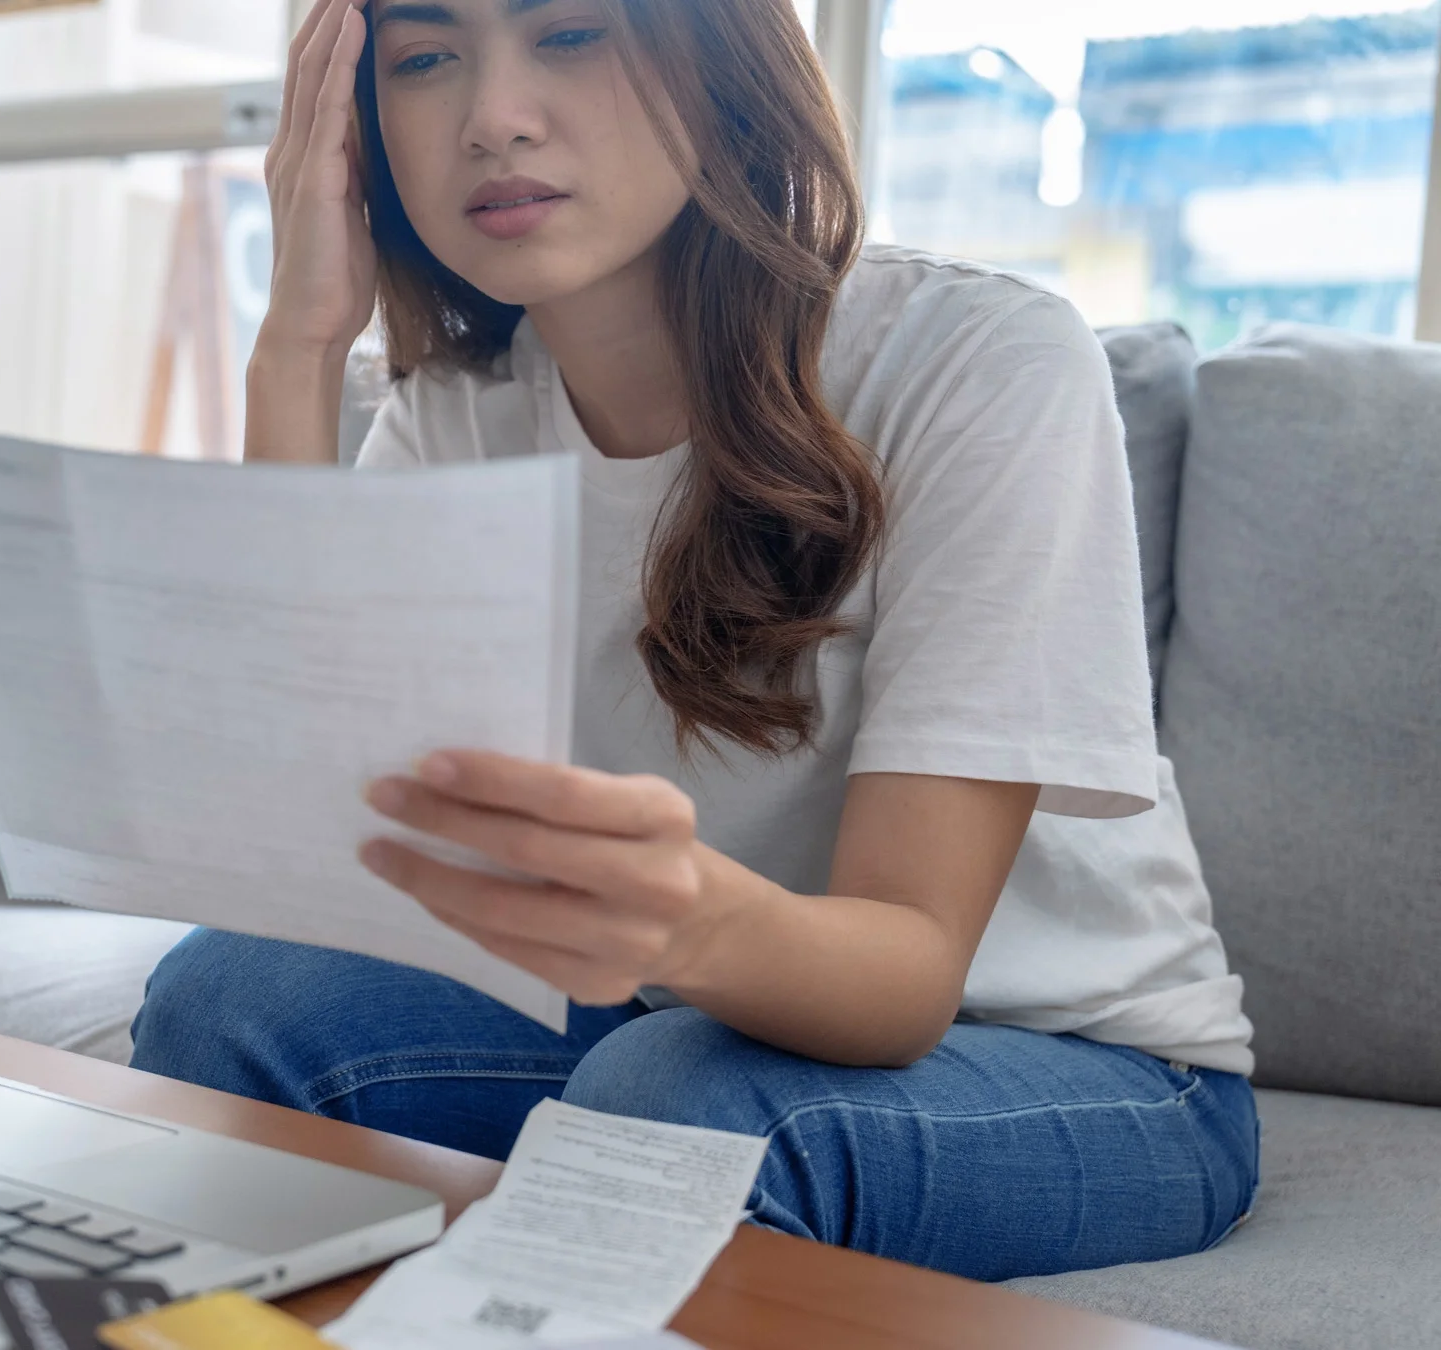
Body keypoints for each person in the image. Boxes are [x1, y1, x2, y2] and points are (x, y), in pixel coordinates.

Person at [128, 0, 1258, 1282]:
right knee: (234, 996)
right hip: (677, 1008)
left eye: (569, 35)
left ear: (718, 58)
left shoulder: (976, 359)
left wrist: (674, 924)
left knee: (671, 1102)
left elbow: (906, 978)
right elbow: (299, 858)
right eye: (427, 59)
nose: (493, 117)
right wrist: (301, 341)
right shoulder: (458, 413)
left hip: (1078, 1064)